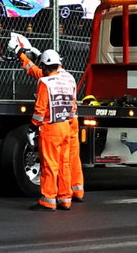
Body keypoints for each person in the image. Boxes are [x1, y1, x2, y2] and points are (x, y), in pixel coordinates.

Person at [19, 47, 82, 210]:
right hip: (66, 126)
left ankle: (48, 201)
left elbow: (40, 109)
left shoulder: (45, 82)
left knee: (49, 165)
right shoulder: (69, 80)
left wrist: (33, 126)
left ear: (45, 67)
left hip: (51, 128)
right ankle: (65, 199)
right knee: (64, 163)